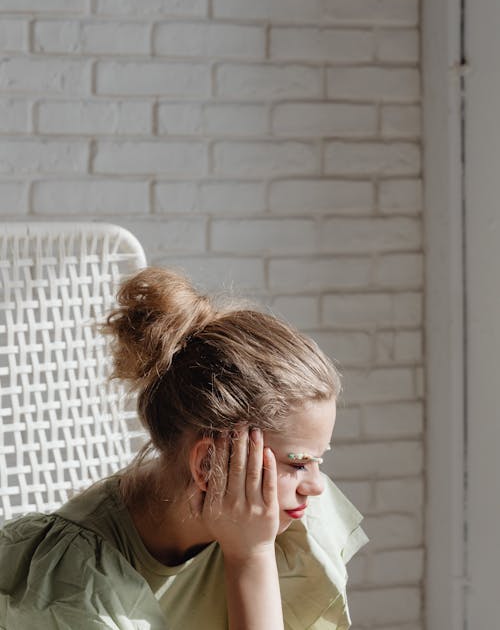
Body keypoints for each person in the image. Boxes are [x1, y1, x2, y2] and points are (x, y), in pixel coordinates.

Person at [0, 267, 367, 629]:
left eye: (318, 459)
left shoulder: (288, 523)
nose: (316, 485)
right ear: (208, 463)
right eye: (299, 463)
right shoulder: (76, 587)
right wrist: (249, 556)